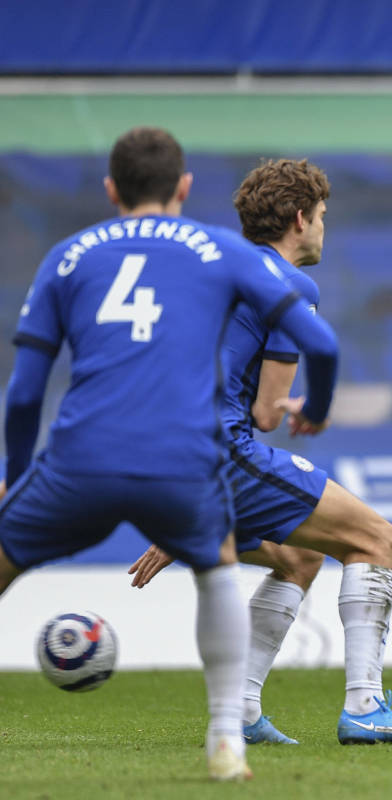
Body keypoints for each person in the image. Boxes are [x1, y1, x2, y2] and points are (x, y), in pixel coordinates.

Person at [0, 127, 339, 781]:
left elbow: (23, 395)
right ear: (184, 188)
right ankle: (225, 741)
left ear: (110, 190)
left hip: (80, 461)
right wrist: (317, 410)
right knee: (218, 569)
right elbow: (319, 347)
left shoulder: (68, 257)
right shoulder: (221, 250)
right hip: (180, 462)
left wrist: (16, 478)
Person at [125, 159, 392, 746]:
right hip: (222, 450)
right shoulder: (290, 284)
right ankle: (366, 706)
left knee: (298, 558)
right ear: (300, 219)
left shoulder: (218, 274)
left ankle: (241, 712)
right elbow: (266, 413)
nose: (324, 228)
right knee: (378, 539)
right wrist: (305, 408)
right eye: (322, 216)